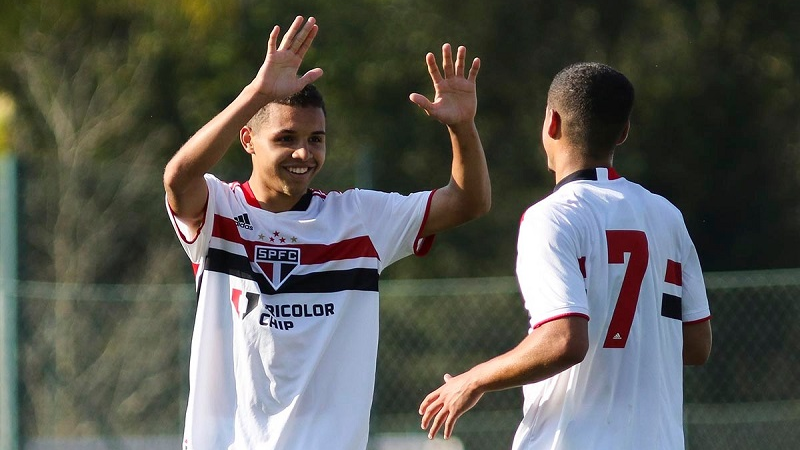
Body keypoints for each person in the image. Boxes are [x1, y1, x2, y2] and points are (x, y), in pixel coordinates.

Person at [162, 15, 489, 450]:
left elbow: (468, 202)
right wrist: (256, 93)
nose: (304, 152)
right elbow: (178, 178)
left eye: (316, 139)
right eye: (286, 138)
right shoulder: (219, 210)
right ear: (248, 140)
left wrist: (461, 127)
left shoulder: (358, 218)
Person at [418, 62, 712, 449]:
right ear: (623, 133)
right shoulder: (667, 216)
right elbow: (695, 346)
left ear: (551, 123)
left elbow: (564, 342)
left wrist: (473, 379)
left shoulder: (552, 217)